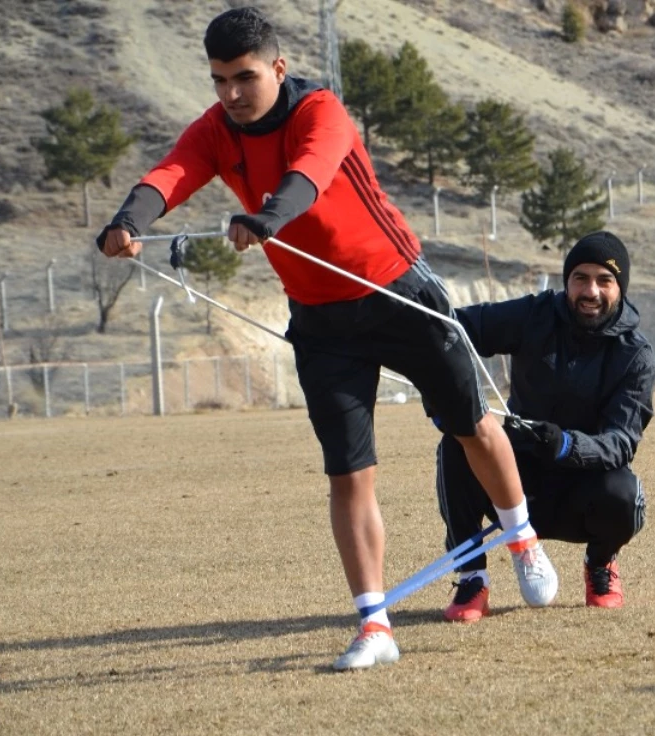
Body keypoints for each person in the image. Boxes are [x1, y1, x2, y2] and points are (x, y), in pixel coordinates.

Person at [95, 7, 558, 671]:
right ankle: (375, 626)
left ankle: (522, 540)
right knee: (348, 472)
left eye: (244, 78)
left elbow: (308, 175)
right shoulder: (215, 129)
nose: (229, 93)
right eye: (219, 79)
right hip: (322, 322)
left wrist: (267, 218)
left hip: (399, 294)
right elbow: (171, 173)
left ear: (277, 69)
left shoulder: (321, 111)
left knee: (471, 426)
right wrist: (126, 221)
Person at [435, 231, 655, 622]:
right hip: (513, 485)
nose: (590, 290)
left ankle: (600, 565)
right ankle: (472, 579)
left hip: (582, 491)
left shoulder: (634, 355)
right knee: (457, 445)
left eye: (604, 280)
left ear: (620, 288)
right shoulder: (535, 315)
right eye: (580, 278)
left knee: (625, 494)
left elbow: (621, 442)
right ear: (566, 281)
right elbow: (455, 328)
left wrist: (567, 444)